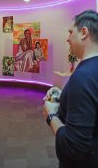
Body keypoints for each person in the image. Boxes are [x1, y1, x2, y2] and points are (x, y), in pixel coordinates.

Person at [43, 10, 98, 168]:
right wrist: (65, 96)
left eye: (70, 32)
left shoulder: (83, 77)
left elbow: (73, 148)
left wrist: (51, 115)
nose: (67, 38)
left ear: (83, 33)